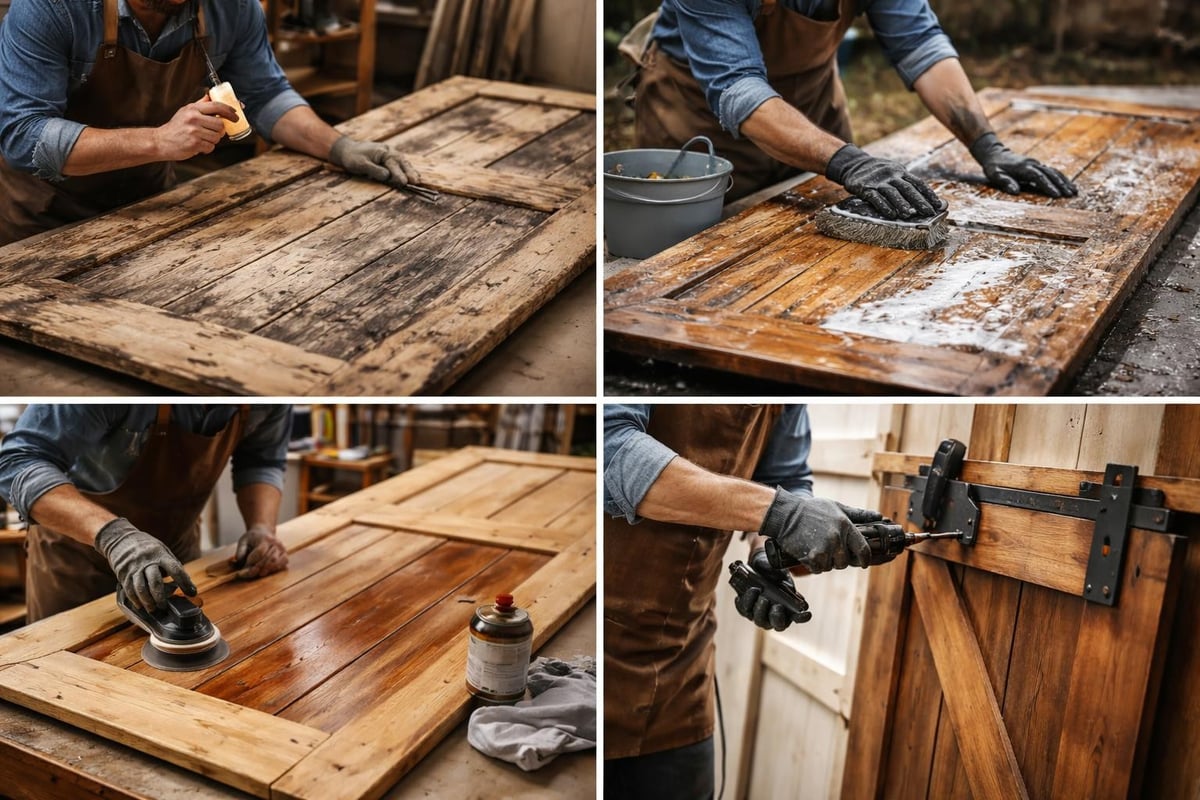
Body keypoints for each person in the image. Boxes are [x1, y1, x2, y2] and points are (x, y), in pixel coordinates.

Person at [603, 404, 882, 799]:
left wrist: (769, 550)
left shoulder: (786, 387)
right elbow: (611, 446)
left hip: (680, 670)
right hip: (598, 649)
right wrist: (781, 515)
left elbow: (785, 479)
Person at [0, 0, 421, 245]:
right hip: (44, 217)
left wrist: (340, 148)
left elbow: (265, 96)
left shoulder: (231, 7)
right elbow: (23, 136)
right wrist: (160, 142)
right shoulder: (51, 8)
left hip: (151, 204)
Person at [628, 0, 1078, 209]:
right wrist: (848, 162)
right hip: (698, 116)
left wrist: (988, 145)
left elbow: (920, 45)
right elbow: (739, 88)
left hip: (812, 103)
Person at [0, 404, 291, 622]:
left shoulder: (271, 398)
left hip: (175, 557)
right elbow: (16, 464)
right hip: (78, 564)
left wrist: (262, 528)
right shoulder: (106, 392)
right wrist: (114, 537)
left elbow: (261, 460)